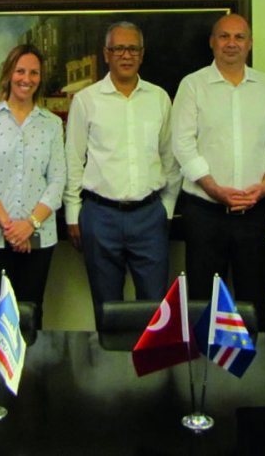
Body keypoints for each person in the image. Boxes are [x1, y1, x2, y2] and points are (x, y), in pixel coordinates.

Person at [171, 14, 265, 330]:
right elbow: (182, 144)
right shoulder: (193, 85)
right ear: (212, 42)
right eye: (224, 36)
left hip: (255, 212)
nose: (231, 43)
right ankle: (205, 362)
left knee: (254, 298)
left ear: (249, 44)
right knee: (204, 300)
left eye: (239, 37)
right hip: (205, 213)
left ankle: (257, 360)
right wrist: (214, 188)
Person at [64, 21, 181, 327]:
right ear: (106, 54)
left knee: (155, 310)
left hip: (149, 216)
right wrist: (73, 214)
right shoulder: (86, 100)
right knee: (107, 309)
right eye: (118, 49)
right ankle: (108, 359)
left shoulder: (159, 98)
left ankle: (151, 361)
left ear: (142, 54)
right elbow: (73, 160)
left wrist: (166, 209)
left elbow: (170, 158)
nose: (126, 55)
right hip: (100, 216)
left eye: (132, 49)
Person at [0, 44, 66, 326]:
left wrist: (29, 225)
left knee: (30, 315)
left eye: (34, 73)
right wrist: (11, 227)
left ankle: (31, 359)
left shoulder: (51, 124)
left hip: (39, 236)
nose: (27, 79)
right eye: (20, 71)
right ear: (9, 73)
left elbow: (57, 179)